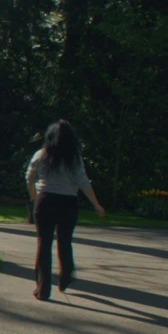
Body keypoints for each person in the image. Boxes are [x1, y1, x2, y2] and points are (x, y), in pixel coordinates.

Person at [25, 120, 106, 301]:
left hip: (45, 201)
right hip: (68, 203)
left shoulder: (41, 155)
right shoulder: (74, 159)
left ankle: (43, 289)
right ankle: (65, 276)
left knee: (44, 244)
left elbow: (29, 177)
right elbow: (83, 182)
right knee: (65, 241)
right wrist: (96, 204)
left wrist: (34, 196)